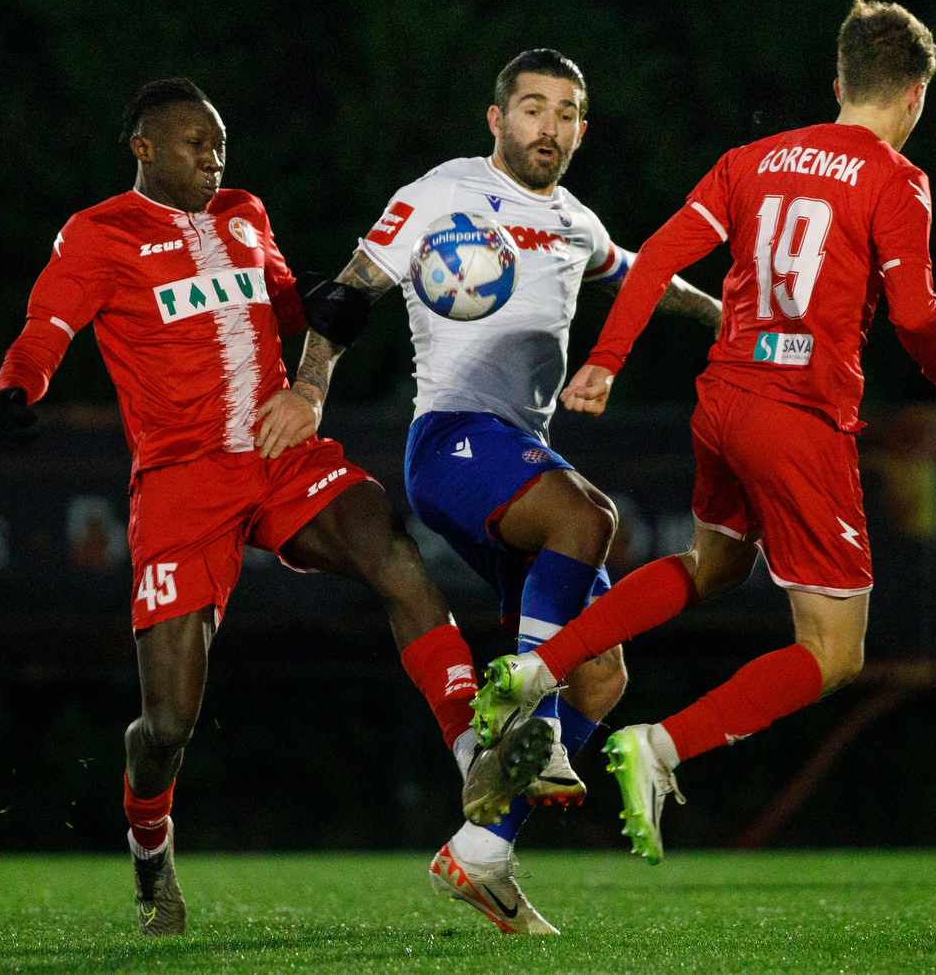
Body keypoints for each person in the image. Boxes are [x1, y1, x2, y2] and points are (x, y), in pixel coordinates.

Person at [0, 78, 553, 938]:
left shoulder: (247, 212)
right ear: (142, 148)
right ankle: (150, 846)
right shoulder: (100, 233)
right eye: (194, 145)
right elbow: (46, 327)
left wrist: (333, 299)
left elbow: (288, 301)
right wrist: (16, 387)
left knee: (387, 543)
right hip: (181, 481)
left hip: (278, 451)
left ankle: (475, 753)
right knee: (168, 723)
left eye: (220, 145)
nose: (215, 159)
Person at [467, 0, 936, 864]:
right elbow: (915, 311)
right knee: (834, 652)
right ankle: (659, 748)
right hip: (799, 421)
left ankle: (537, 668)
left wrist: (607, 360)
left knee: (714, 565)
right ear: (916, 95)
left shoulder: (752, 159)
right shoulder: (897, 179)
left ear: (838, 83)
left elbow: (660, 255)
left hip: (724, 403)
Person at [256, 50, 722, 931]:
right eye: (533, 108)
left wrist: (731, 315)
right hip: (452, 445)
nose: (549, 126)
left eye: (567, 112)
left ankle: (481, 853)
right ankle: (519, 714)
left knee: (604, 674)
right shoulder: (442, 192)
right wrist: (311, 387)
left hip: (517, 459)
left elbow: (647, 282)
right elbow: (350, 295)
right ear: (496, 119)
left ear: (583, 128)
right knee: (589, 515)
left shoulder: (577, 222)